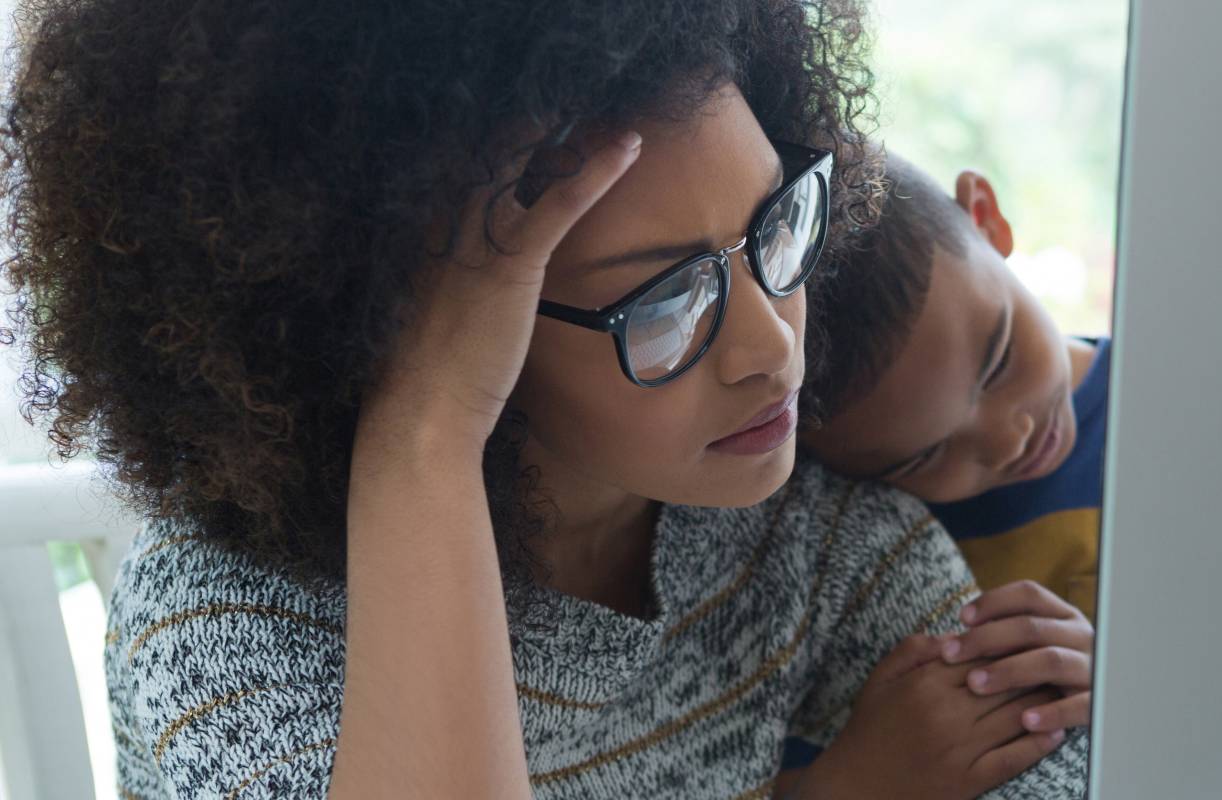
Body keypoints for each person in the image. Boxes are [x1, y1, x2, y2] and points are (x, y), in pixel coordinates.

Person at [0, 2, 1089, 797]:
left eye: (777, 226)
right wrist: (423, 435)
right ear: (416, 341)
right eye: (663, 302)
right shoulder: (228, 630)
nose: (773, 349)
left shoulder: (805, 532)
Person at [804, 154, 1109, 623]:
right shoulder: (884, 547)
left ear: (987, 221)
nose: (1011, 441)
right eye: (927, 456)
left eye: (999, 363)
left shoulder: (1175, 408)